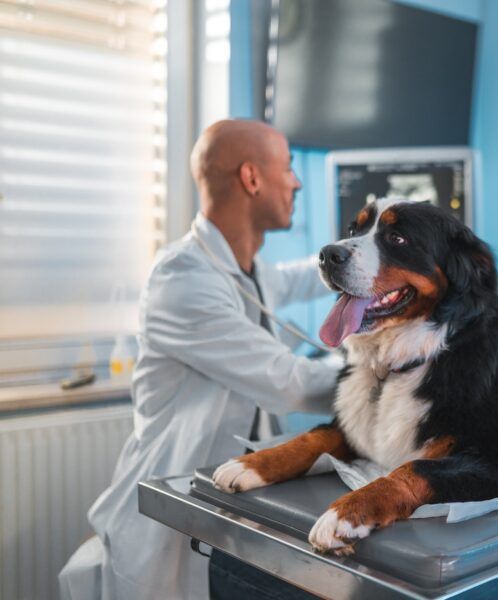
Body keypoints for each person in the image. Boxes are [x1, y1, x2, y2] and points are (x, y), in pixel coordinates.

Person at [59, 119, 343, 600]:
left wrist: (364, 259)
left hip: (229, 505)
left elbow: (299, 276)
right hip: (174, 509)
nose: (296, 182)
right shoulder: (184, 279)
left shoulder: (243, 271)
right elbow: (289, 384)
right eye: (289, 168)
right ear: (252, 178)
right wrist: (391, 380)